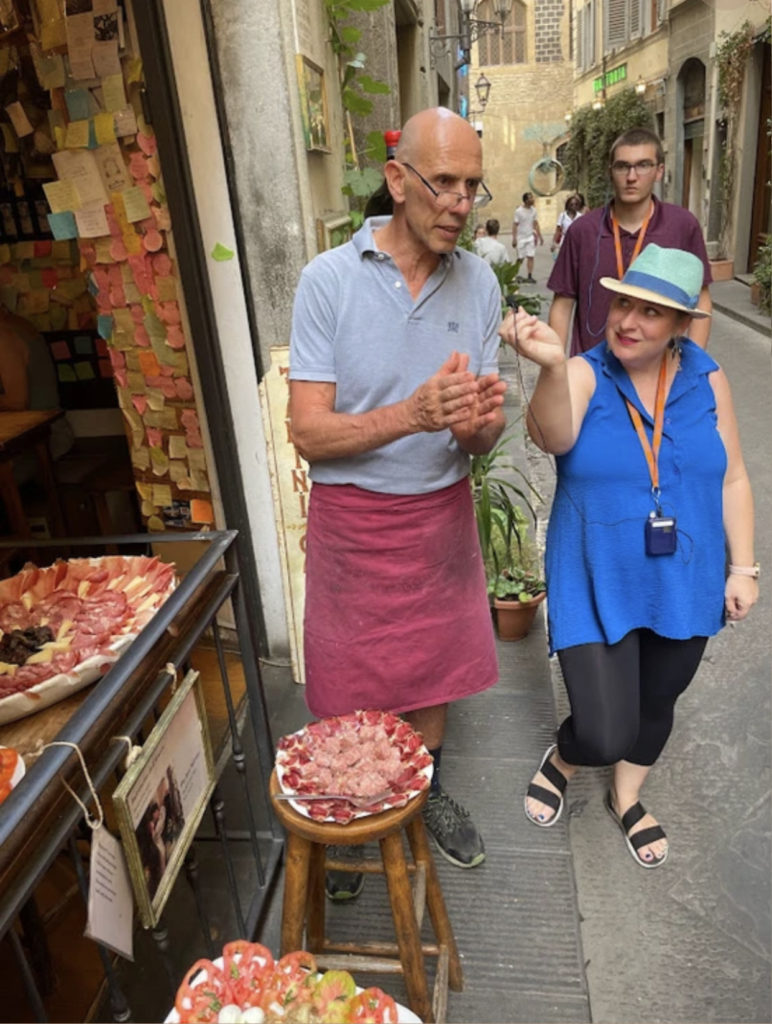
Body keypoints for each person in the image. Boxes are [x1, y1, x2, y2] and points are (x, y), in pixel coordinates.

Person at [289, 107, 507, 897]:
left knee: (431, 677)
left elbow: (475, 438)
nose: (458, 201)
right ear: (396, 180)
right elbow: (307, 433)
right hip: (352, 524)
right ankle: (348, 818)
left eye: (471, 187)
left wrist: (481, 427)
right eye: (442, 182)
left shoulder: (478, 281)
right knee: (348, 688)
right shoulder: (329, 281)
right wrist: (411, 415)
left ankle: (426, 792)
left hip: (438, 516)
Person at [499, 243, 757, 868]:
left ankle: (627, 794)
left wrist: (744, 566)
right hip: (596, 577)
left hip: (686, 579)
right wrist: (550, 368)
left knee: (656, 703)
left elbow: (733, 478)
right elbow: (549, 435)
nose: (628, 321)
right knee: (603, 728)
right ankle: (566, 755)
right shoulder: (586, 371)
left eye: (650, 312)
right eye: (622, 304)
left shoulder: (707, 376)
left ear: (679, 326)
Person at [548, 127, 712, 357]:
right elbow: (563, 305)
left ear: (659, 171)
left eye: (643, 165)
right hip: (593, 375)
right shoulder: (583, 231)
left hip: (658, 372)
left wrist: (693, 365)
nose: (631, 176)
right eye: (622, 166)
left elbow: (700, 298)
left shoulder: (682, 225)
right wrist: (556, 371)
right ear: (610, 171)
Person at [512, 191, 543, 283]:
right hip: (521, 238)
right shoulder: (518, 211)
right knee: (521, 258)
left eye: (532, 198)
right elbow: (515, 225)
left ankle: (529, 276)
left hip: (530, 237)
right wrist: (514, 238)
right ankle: (513, 274)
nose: (532, 199)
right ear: (525, 200)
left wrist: (540, 236)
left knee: (531, 256)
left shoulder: (534, 210)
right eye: (530, 198)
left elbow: (536, 223)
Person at [550, 194, 583, 258]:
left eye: (576, 204)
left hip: (577, 242)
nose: (574, 206)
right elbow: (558, 230)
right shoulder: (562, 216)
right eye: (571, 204)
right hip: (565, 241)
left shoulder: (580, 216)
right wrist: (554, 242)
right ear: (568, 205)